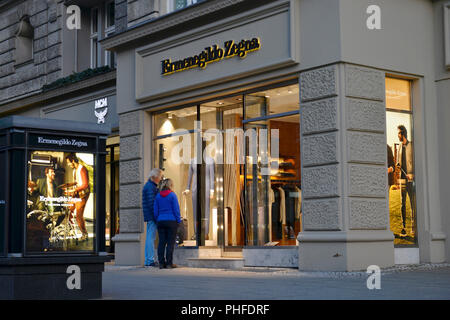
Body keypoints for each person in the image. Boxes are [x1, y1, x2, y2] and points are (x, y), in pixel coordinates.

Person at [154, 178, 182, 269]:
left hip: (161, 222)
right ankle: (169, 264)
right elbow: (176, 210)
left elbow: (155, 211)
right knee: (170, 243)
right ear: (170, 185)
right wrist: (178, 220)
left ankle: (161, 263)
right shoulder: (172, 195)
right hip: (171, 222)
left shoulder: (158, 196)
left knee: (161, 243)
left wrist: (157, 220)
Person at [65, 153, 90, 241]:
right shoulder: (74, 170)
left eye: (68, 162)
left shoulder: (82, 169)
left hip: (83, 194)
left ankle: (84, 234)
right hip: (77, 193)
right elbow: (77, 183)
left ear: (73, 161)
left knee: (79, 215)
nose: (68, 164)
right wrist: (69, 186)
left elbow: (85, 184)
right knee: (68, 210)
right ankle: (72, 231)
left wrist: (74, 190)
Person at [142, 168, 163, 267]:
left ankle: (148, 260)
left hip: (149, 215)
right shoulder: (150, 187)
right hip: (152, 216)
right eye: (160, 177)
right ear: (155, 177)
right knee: (151, 237)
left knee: (150, 237)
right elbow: (152, 204)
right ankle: (150, 260)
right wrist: (156, 217)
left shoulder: (149, 186)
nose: (160, 179)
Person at [396, 125, 415, 237]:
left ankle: (413, 227)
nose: (397, 135)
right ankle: (404, 228)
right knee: (402, 204)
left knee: (413, 204)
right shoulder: (399, 147)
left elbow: (415, 162)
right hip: (402, 179)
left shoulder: (411, 146)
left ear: (403, 134)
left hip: (411, 180)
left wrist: (412, 174)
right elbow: (399, 162)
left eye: (398, 133)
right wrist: (398, 165)